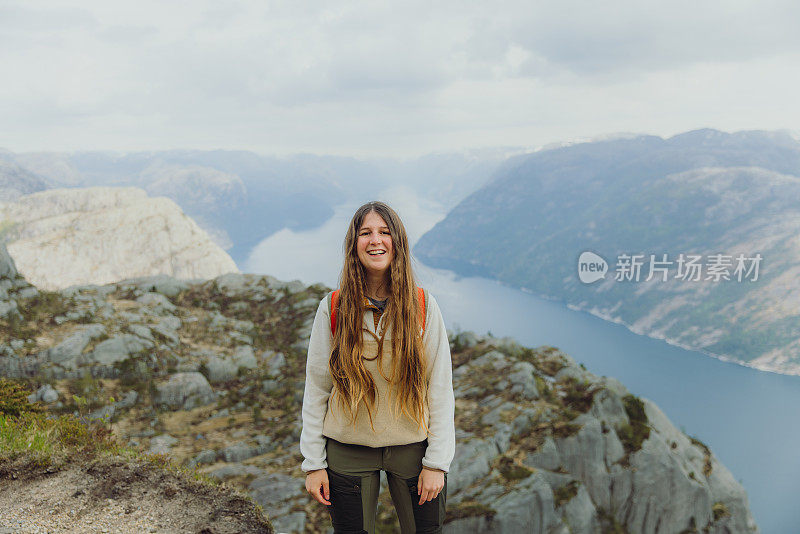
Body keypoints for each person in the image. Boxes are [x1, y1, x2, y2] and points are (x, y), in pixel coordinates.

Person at [300, 201, 456, 534]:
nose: (376, 241)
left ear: (397, 242)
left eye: (385, 232)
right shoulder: (334, 308)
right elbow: (317, 388)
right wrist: (314, 464)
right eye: (366, 233)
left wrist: (437, 463)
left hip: (412, 449)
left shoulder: (423, 307)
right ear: (353, 244)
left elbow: (439, 388)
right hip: (348, 450)